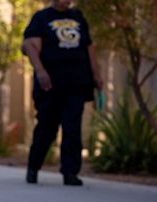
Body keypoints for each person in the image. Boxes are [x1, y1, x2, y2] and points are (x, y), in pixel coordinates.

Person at [21, 0, 103, 186]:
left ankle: (70, 172)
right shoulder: (41, 18)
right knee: (47, 128)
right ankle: (33, 167)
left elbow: (88, 47)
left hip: (77, 83)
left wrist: (97, 74)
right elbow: (29, 46)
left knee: (72, 128)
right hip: (50, 84)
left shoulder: (78, 17)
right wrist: (41, 72)